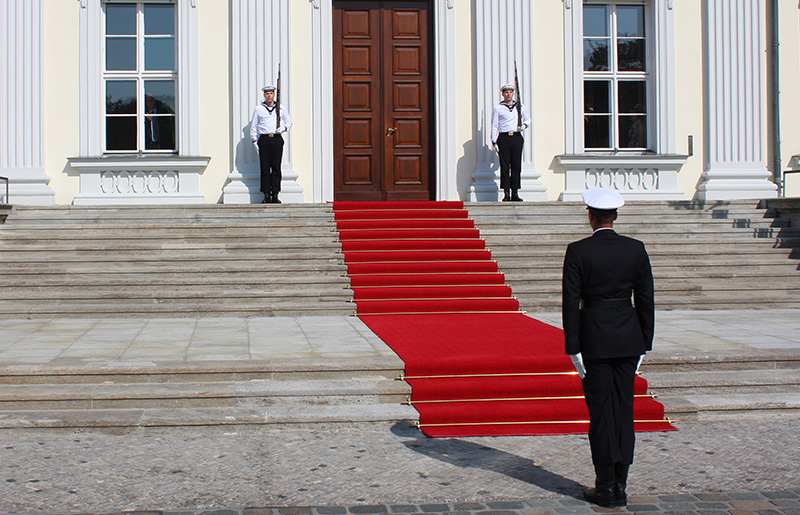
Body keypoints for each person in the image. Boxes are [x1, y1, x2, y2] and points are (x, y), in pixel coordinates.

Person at [561, 187, 655, 508]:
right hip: (628, 338)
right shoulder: (636, 249)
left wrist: (573, 348)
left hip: (594, 340)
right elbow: (645, 300)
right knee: (623, 411)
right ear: (615, 216)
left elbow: (571, 303)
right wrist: (645, 343)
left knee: (601, 414)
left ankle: (604, 486)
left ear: (590, 216)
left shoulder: (578, 251)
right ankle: (621, 485)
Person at [250, 85, 292, 203]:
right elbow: (254, 125)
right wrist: (254, 140)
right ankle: (266, 194)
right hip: (264, 139)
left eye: (271, 93)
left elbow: (289, 122)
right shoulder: (259, 109)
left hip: (276, 139)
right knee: (265, 168)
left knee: (276, 167)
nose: (269, 96)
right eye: (267, 94)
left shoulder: (281, 108)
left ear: (274, 94)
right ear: (264, 95)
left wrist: (283, 128)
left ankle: (275, 193)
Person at [490, 84, 531, 202]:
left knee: (516, 166)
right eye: (506, 92)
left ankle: (515, 192)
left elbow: (528, 119)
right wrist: (494, 140)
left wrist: (524, 126)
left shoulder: (520, 106)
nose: (508, 94)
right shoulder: (498, 108)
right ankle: (506, 193)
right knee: (505, 166)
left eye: (510, 92)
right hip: (504, 137)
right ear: (502, 94)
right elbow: (494, 125)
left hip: (516, 137)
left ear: (513, 93)